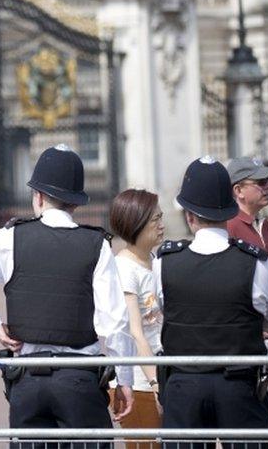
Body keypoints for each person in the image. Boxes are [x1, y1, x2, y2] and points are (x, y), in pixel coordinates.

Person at [0, 145, 135, 446]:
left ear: (38, 196)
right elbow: (114, 322)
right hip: (78, 379)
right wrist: (125, 377)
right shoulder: (95, 244)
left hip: (28, 382)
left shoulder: (12, 237)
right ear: (74, 203)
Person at [154, 157, 268, 445]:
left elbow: (167, 309)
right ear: (230, 210)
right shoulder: (256, 263)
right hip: (239, 385)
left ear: (189, 215)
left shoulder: (164, 263)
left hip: (183, 384)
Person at [226, 157, 268, 430]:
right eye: (261, 182)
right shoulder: (228, 228)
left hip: (267, 339)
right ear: (238, 190)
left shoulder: (263, 226)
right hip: (246, 339)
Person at [108, 189, 166, 447]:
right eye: (155, 220)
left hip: (161, 373)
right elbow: (136, 332)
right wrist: (155, 383)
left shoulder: (155, 260)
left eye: (161, 217)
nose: (162, 225)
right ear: (136, 223)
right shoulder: (124, 267)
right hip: (140, 382)